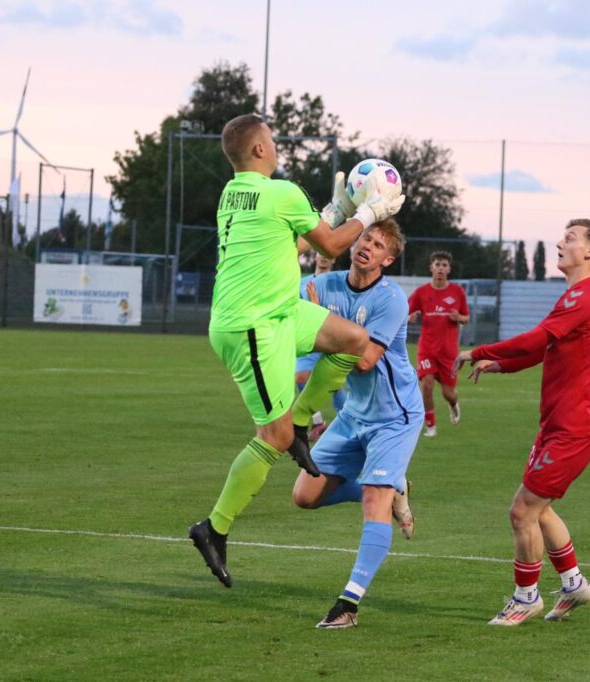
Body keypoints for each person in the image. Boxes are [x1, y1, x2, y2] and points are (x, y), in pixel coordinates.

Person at [188, 113, 405, 589]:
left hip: (280, 311)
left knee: (353, 339)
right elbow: (328, 244)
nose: (276, 146)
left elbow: (298, 238)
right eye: (271, 139)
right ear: (259, 149)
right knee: (274, 436)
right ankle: (214, 528)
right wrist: (370, 210)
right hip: (253, 326)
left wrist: (337, 207)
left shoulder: (234, 193)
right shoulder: (281, 192)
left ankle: (304, 420)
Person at [454, 219, 590, 626]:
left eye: (571, 238)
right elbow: (546, 349)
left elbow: (537, 338)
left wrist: (479, 351)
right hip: (561, 423)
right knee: (538, 510)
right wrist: (499, 365)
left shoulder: (583, 297)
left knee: (522, 510)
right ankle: (574, 584)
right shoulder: (580, 296)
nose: (561, 242)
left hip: (575, 426)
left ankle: (526, 598)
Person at [289, 219, 423, 629]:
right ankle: (392, 487)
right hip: (353, 414)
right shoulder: (322, 286)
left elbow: (365, 360)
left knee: (374, 501)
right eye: (365, 237)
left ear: (388, 259)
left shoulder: (391, 299)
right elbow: (286, 316)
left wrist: (316, 323)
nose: (368, 246)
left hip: (394, 417)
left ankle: (348, 605)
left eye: (379, 245)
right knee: (304, 496)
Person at [408, 251, 470, 437]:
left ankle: (453, 404)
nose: (440, 268)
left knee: (448, 393)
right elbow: (406, 311)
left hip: (448, 352)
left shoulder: (457, 292)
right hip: (427, 349)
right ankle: (431, 426)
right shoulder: (421, 292)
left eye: (444, 265)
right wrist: (409, 317)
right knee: (427, 384)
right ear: (431, 268)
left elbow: (466, 318)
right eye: (437, 265)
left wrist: (459, 317)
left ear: (449, 269)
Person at [297, 253, 346, 440]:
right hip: (309, 338)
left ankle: (348, 421)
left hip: (330, 337)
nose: (324, 258)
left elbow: (341, 311)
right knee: (300, 378)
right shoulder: (303, 283)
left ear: (333, 259)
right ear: (315, 257)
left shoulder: (338, 284)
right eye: (321, 254)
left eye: (328, 255)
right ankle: (318, 422)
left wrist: (318, 308)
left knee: (332, 384)